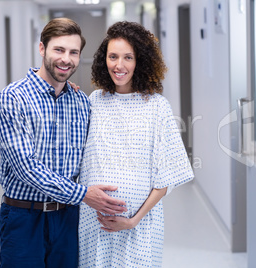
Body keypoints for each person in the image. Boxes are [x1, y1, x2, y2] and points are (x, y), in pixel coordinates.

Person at [0, 18, 126, 268]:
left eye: (73, 52)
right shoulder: (13, 98)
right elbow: (26, 167)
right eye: (59, 50)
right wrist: (84, 194)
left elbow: (93, 155)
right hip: (24, 217)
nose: (66, 59)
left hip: (68, 218)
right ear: (42, 49)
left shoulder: (81, 102)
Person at [78, 21, 194, 267]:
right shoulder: (94, 101)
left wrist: (133, 220)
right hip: (93, 222)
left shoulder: (156, 106)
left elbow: (166, 176)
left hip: (139, 226)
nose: (119, 65)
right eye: (113, 56)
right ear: (103, 60)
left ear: (139, 61)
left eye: (128, 57)